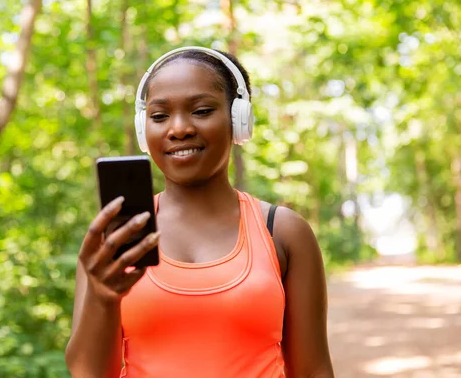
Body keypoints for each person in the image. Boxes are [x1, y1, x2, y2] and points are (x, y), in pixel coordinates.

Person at [65, 46, 334, 378]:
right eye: (159, 116)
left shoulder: (283, 231)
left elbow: (313, 371)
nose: (178, 129)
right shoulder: (115, 237)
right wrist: (103, 298)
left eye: (202, 110)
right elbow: (87, 373)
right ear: (143, 129)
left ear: (239, 120)